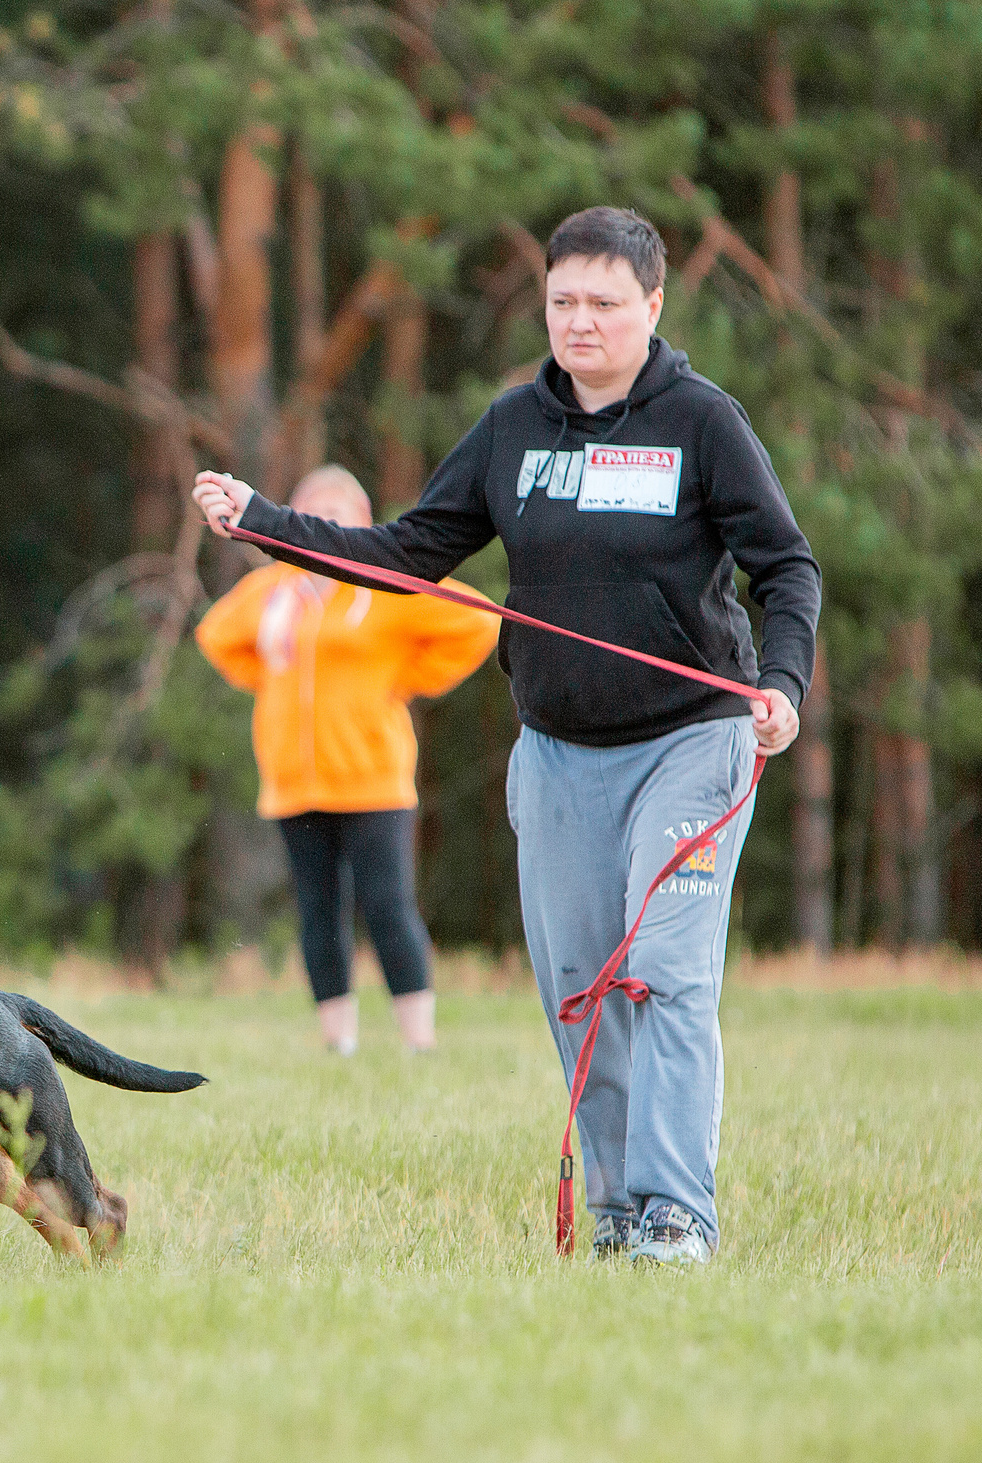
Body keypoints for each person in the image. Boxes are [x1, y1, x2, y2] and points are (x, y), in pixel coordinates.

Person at [192, 207, 819, 1265]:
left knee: (663, 972)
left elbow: (786, 568)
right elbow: (404, 554)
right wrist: (263, 518)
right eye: (562, 302)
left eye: (605, 305)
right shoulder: (513, 431)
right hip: (561, 752)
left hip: (695, 741)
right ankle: (620, 1214)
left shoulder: (703, 423)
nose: (580, 324)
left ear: (652, 307)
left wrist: (786, 683)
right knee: (578, 984)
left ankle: (677, 1213)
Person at [195, 465, 498, 1054]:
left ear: (362, 524)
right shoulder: (275, 592)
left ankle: (419, 1040)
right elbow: (216, 636)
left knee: (388, 908)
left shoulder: (384, 588)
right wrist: (268, 681)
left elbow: (478, 621)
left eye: (339, 517)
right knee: (318, 913)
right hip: (293, 783)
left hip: (373, 780)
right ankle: (339, 1042)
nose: (325, 525)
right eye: (315, 514)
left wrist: (408, 679)